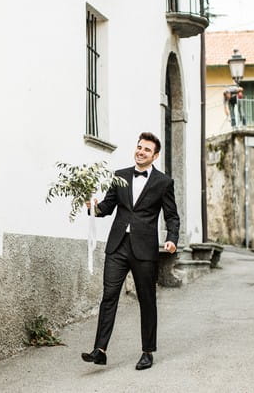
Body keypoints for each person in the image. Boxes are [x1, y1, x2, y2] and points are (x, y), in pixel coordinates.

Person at [81, 132, 180, 370]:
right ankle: (100, 350)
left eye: (146, 149)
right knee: (109, 296)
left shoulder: (163, 182)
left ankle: (147, 351)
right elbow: (106, 207)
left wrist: (172, 239)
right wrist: (92, 207)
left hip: (144, 249)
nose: (141, 151)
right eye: (139, 147)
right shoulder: (120, 176)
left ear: (155, 155)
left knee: (147, 300)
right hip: (117, 246)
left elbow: (171, 215)